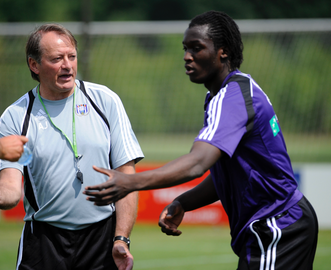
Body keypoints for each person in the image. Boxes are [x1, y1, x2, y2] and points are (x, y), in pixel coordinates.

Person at [84, 11, 318, 270]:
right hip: (279, 223)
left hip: (277, 224)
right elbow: (228, 174)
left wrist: (131, 182)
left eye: (197, 48)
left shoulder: (232, 97)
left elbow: (197, 162)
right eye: (185, 48)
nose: (187, 56)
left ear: (223, 52)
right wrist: (185, 201)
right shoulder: (224, 95)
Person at [0, 23, 143, 270]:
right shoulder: (16, 115)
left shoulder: (106, 101)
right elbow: (11, 186)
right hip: (43, 241)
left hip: (101, 239)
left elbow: (127, 174)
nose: (67, 65)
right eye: (56, 58)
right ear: (34, 64)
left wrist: (121, 238)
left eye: (71, 56)